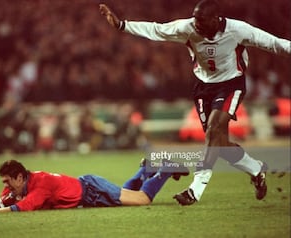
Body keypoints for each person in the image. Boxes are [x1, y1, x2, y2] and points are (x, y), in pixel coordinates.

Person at [99, 0, 291, 206]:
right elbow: (157, 30)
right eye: (195, 20)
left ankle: (196, 189)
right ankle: (256, 169)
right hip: (203, 88)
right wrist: (122, 25)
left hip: (230, 85)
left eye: (201, 21)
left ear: (215, 19)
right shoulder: (188, 28)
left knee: (213, 129)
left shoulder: (238, 30)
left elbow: (274, 43)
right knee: (219, 144)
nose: (196, 24)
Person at [0, 159, 189, 214]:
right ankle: (145, 170)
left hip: (92, 189)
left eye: (7, 181)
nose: (5, 187)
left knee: (142, 200)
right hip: (89, 192)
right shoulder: (17, 188)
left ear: (19, 177)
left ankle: (165, 169)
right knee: (128, 195)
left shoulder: (40, 184)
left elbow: (27, 206)